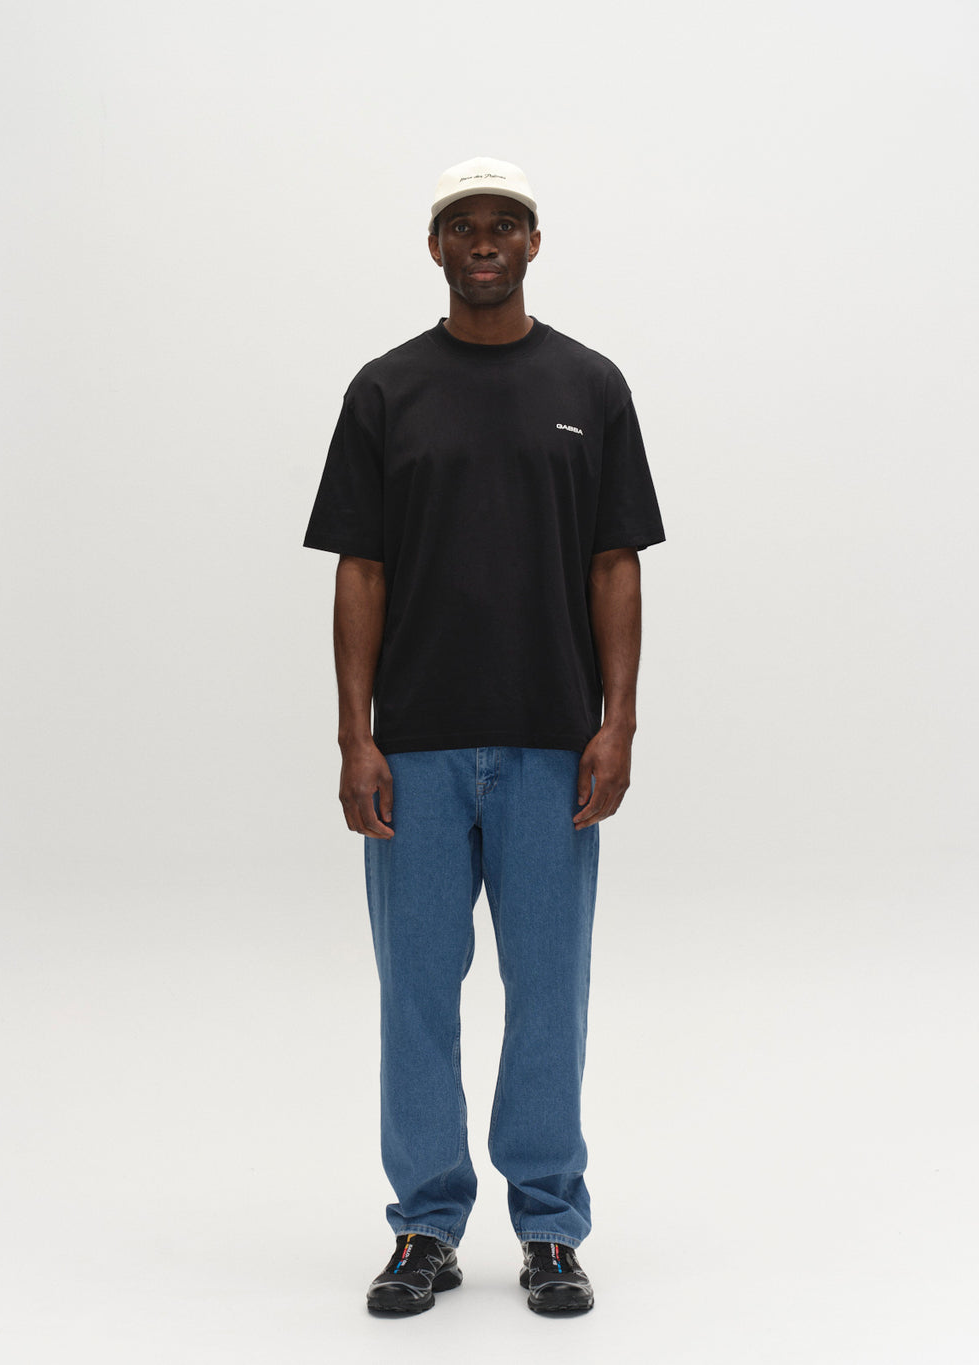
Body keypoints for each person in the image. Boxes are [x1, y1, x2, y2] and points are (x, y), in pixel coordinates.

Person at [303, 156, 665, 1316]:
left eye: (505, 222)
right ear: (436, 247)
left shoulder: (591, 384)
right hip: (413, 744)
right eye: (463, 225)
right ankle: (425, 1229)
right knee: (417, 991)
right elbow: (361, 568)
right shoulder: (385, 390)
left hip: (551, 743)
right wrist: (355, 738)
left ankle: (550, 1230)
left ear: (534, 242)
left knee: (548, 990)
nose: (484, 241)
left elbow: (617, 564)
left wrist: (617, 723)